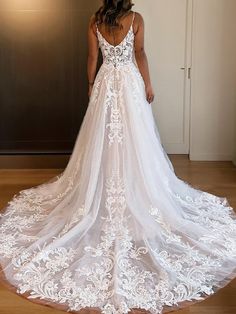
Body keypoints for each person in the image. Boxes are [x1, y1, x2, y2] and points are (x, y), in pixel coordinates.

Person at [0, 1, 236, 314]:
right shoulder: (136, 18)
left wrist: (90, 85)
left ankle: (104, 189)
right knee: (135, 140)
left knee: (103, 139)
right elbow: (139, 53)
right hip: (128, 82)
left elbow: (92, 58)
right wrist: (148, 83)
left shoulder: (95, 20)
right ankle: (134, 189)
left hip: (105, 83)